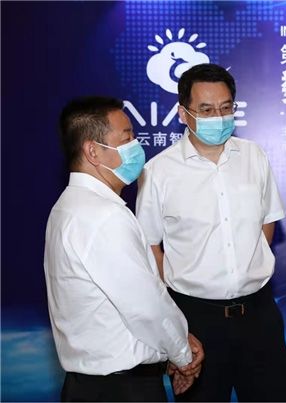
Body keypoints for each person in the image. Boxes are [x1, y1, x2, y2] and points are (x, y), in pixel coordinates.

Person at [136, 64, 286, 401]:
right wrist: (175, 313)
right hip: (196, 321)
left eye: (225, 107)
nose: (218, 117)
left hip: (259, 315)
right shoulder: (157, 171)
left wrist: (244, 271)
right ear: (183, 113)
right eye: (206, 110)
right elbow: (149, 245)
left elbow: (267, 221)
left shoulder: (254, 156)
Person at [44, 96, 204, 402]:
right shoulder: (102, 216)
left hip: (91, 386)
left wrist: (177, 341)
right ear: (93, 151)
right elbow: (145, 306)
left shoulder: (67, 207)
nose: (136, 146)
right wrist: (182, 354)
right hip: (122, 389)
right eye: (127, 138)